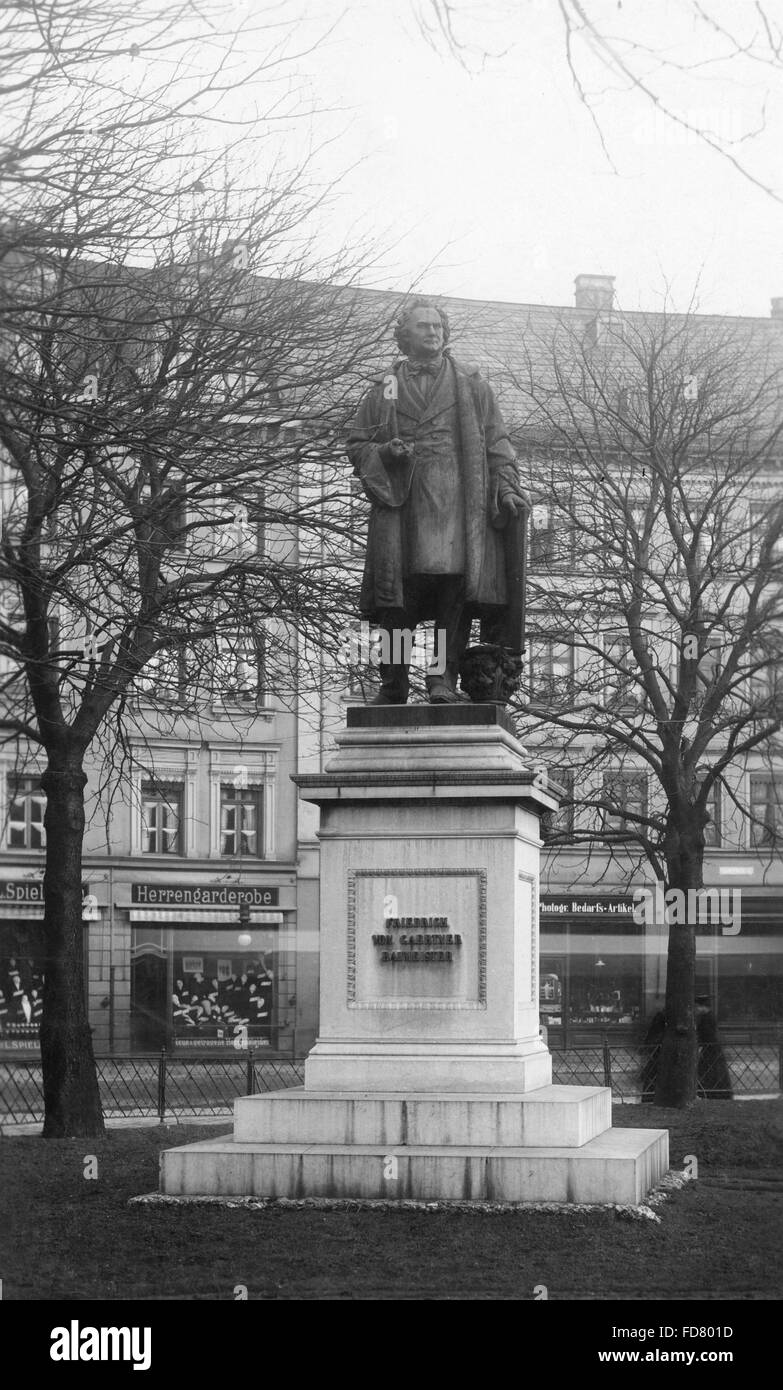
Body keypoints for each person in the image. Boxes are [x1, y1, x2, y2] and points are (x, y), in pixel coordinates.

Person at [347, 298, 530, 704]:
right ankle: (393, 683)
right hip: (402, 505)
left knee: (453, 598)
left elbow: (497, 443)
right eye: (423, 326)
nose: (433, 332)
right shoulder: (384, 388)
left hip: (458, 505)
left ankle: (440, 680)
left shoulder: (471, 382)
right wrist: (384, 454)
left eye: (437, 326)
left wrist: (507, 487)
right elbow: (358, 445)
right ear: (404, 335)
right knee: (396, 602)